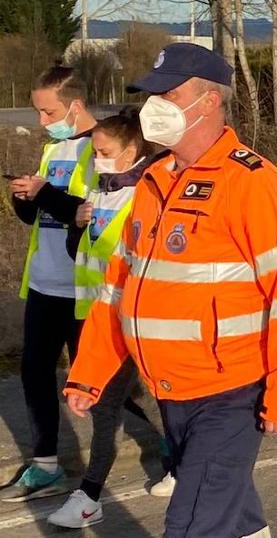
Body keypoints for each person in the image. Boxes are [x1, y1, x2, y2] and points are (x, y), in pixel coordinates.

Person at [65, 43, 277, 538]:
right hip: (171, 393)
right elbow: (119, 287)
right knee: (236, 520)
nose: (152, 105)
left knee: (190, 525)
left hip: (229, 395)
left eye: (167, 93)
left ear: (208, 102)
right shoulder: (155, 179)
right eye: (150, 93)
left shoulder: (254, 183)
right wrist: (88, 373)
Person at [21, 109, 172, 527]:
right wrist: (77, 224)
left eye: (104, 152)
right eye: (95, 153)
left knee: (107, 406)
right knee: (134, 396)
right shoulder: (103, 192)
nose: (98, 159)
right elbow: (85, 254)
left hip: (132, 319)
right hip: (97, 318)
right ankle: (180, 456)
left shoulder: (145, 195)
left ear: (131, 151)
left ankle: (88, 496)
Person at [2, 66, 97, 503]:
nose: (42, 120)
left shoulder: (101, 149)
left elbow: (90, 212)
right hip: (44, 283)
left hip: (83, 288)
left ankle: (160, 447)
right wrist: (22, 197)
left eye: (48, 111)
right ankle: (45, 466)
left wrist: (45, 194)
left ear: (75, 106)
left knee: (95, 383)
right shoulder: (52, 150)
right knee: (35, 373)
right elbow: (40, 215)